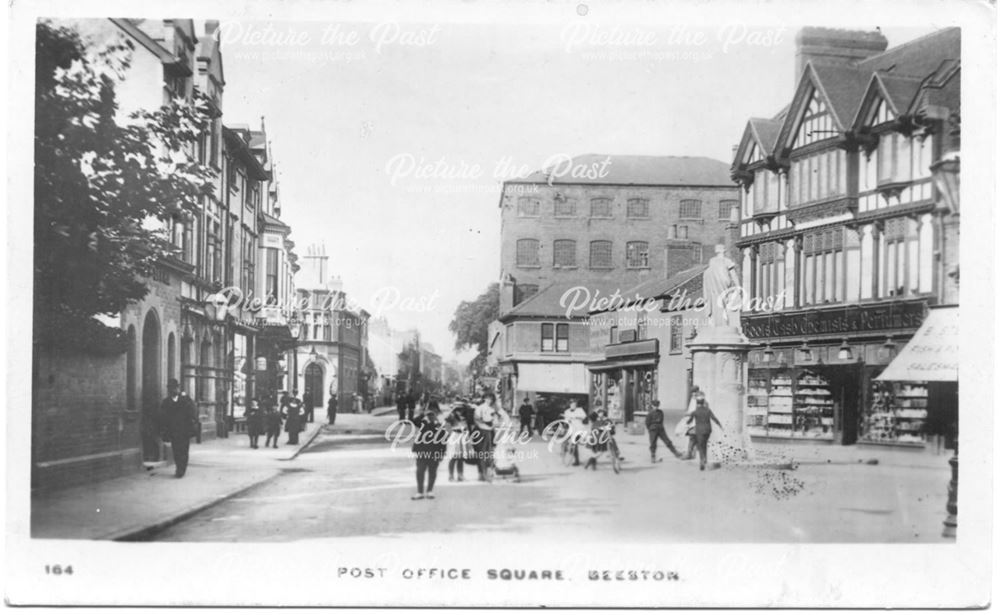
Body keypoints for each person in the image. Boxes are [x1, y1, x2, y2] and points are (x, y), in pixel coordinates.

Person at [158, 378, 199, 478]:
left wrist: (192, 424)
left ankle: (181, 469)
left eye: (175, 388)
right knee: (176, 450)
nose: (173, 391)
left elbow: (193, 412)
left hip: (184, 431)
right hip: (173, 431)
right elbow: (163, 418)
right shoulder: (166, 402)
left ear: (178, 388)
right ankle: (178, 467)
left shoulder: (185, 399)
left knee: (184, 450)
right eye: (171, 389)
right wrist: (165, 432)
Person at [411, 401, 448, 500]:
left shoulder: (440, 423)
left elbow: (444, 438)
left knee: (433, 470)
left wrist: (442, 453)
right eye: (430, 411)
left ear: (437, 412)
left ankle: (430, 491)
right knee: (420, 470)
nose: (432, 414)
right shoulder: (423, 422)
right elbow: (413, 421)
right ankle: (420, 492)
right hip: (422, 450)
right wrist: (423, 414)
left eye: (434, 411)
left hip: (435, 450)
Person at [473, 393, 508, 480]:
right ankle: (481, 473)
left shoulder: (495, 408)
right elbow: (477, 420)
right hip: (480, 432)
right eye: (488, 399)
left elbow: (505, 416)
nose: (490, 401)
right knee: (481, 453)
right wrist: (486, 427)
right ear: (484, 399)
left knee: (490, 452)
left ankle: (488, 473)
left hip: (490, 432)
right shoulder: (480, 408)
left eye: (491, 399)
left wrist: (500, 424)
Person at [689, 396, 724, 470]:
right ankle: (705, 459)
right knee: (704, 444)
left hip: (699, 431)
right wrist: (720, 425)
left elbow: (689, 421)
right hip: (707, 431)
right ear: (703, 403)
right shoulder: (708, 410)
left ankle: (702, 459)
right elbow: (714, 418)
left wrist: (687, 423)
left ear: (697, 403)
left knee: (700, 445)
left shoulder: (695, 411)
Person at [445, 404, 471, 482]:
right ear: (455, 410)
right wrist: (450, 434)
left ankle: (460, 475)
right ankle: (451, 476)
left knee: (461, 457)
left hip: (462, 436)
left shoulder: (465, 418)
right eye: (458, 409)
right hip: (455, 436)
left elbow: (467, 428)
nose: (459, 411)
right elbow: (447, 426)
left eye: (461, 409)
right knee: (453, 457)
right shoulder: (451, 417)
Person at [562, 399, 588, 466]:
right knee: (566, 443)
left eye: (574, 404)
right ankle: (567, 453)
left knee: (574, 444)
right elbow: (566, 421)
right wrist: (568, 422)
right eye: (572, 404)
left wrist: (577, 417)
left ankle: (577, 461)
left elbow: (584, 417)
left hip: (579, 429)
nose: (573, 405)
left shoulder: (580, 410)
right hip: (571, 429)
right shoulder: (567, 411)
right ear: (570, 405)